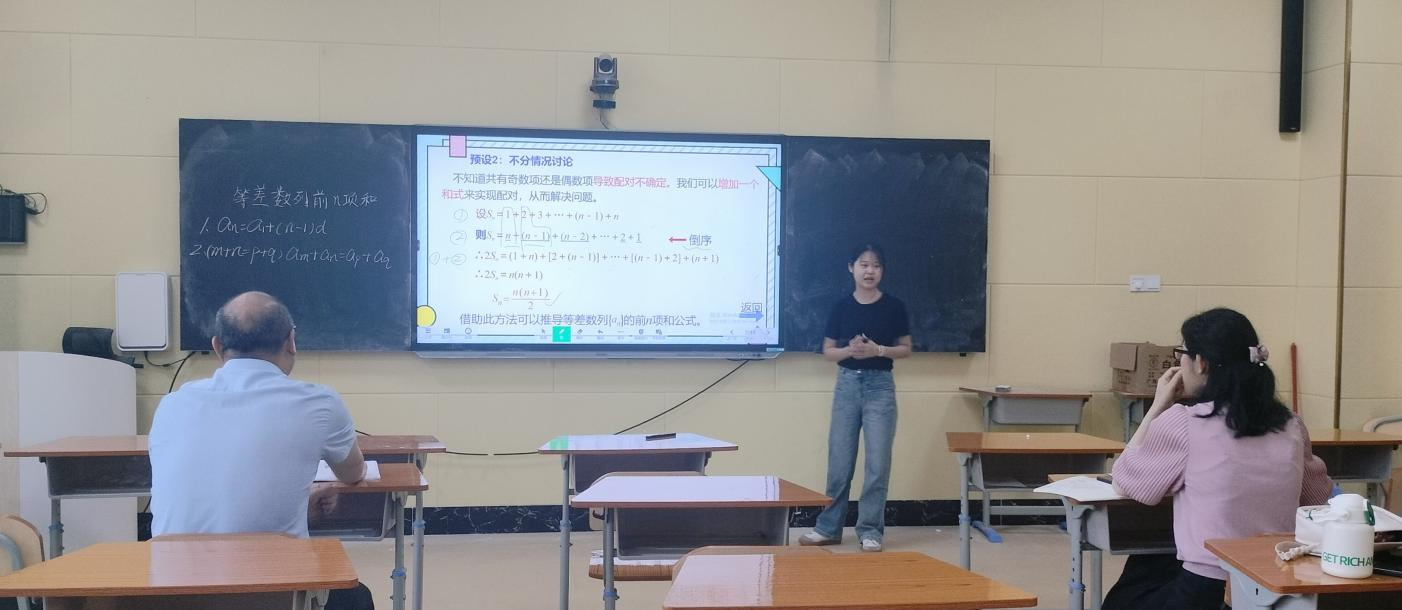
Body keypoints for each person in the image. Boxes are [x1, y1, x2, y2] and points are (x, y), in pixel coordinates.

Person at [149, 291, 374, 609]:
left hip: (169, 593)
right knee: (355, 596)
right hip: (270, 593)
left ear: (217, 346)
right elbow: (353, 473)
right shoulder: (318, 403)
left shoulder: (172, 405)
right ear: (291, 341)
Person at [1102, 308, 1332, 610]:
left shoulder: (1185, 422)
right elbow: (1317, 497)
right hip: (1276, 583)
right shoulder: (1292, 424)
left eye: (1182, 353)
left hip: (1208, 589)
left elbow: (1125, 482)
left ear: (1201, 363)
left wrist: (1158, 406)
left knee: (1131, 588)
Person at [799, 243, 912, 552]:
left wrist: (878, 350)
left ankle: (870, 530)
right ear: (851, 267)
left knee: (877, 463)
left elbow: (906, 348)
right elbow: (828, 352)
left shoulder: (894, 306)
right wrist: (850, 350)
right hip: (847, 386)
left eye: (876, 265)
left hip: (880, 388)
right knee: (839, 462)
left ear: (882, 270)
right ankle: (828, 528)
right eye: (864, 264)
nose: (869, 271)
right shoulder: (841, 307)